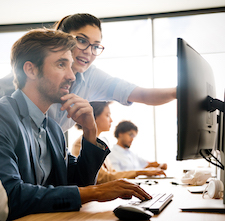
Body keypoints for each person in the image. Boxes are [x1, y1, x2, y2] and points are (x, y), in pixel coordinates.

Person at [0, 28, 151, 220]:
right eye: (61, 64)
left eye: (70, 66)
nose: (72, 76)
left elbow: (79, 184)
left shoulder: (53, 128)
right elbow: (9, 196)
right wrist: (96, 192)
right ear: (31, 69)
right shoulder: (3, 117)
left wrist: (90, 131)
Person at [0, 13, 176, 133]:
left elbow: (143, 95)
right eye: (82, 40)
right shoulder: (18, 81)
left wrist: (179, 92)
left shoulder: (92, 77)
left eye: (96, 46)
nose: (89, 51)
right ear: (61, 39)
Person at [72, 101, 166, 183]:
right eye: (107, 115)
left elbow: (112, 173)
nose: (111, 120)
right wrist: (140, 172)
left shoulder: (99, 143)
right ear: (93, 117)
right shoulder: (82, 143)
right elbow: (102, 178)